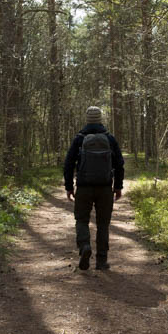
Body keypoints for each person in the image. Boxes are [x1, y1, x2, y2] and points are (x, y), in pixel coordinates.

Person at [63, 106, 125, 270]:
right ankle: (101, 261)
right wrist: (118, 187)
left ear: (87, 119)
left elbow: (68, 164)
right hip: (105, 188)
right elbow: (119, 164)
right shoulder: (109, 139)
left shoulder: (79, 139)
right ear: (100, 119)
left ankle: (84, 246)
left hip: (83, 187)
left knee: (82, 219)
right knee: (103, 224)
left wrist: (69, 187)